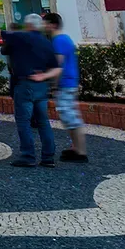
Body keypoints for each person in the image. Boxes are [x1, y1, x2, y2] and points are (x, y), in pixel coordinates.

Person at [0, 13, 61, 167]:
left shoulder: (21, 37)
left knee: (23, 121)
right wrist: (43, 77)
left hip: (25, 84)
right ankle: (48, 157)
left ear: (28, 25)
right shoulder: (47, 42)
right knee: (43, 122)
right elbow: (56, 68)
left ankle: (28, 156)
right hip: (41, 87)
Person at [43, 12, 87, 163]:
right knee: (69, 118)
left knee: (71, 118)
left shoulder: (59, 41)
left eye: (46, 23)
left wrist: (53, 86)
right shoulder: (65, 38)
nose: (44, 26)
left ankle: (81, 152)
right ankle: (76, 148)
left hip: (65, 84)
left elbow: (58, 65)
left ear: (53, 25)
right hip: (69, 82)